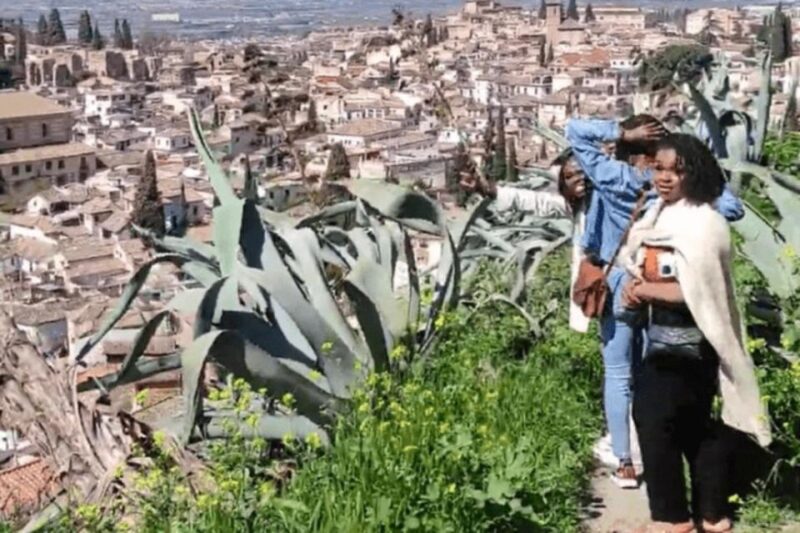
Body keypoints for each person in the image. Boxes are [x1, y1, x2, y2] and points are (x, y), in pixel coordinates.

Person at [565, 115, 745, 488]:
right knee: (653, 373)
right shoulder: (675, 187)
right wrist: (696, 170)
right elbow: (733, 209)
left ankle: (625, 463)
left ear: (627, 148)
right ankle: (662, 451)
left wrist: (620, 131)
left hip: (617, 284)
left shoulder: (613, 177)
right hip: (659, 286)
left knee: (618, 373)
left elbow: (574, 131)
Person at [619, 134, 771, 533]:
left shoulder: (704, 223)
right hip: (663, 343)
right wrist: (636, 288)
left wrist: (646, 290)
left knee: (655, 422)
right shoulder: (659, 217)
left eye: (676, 170)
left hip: (694, 346)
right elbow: (650, 268)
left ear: (695, 173)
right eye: (659, 169)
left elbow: (698, 290)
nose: (664, 178)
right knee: (693, 428)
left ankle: (674, 518)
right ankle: (711, 514)